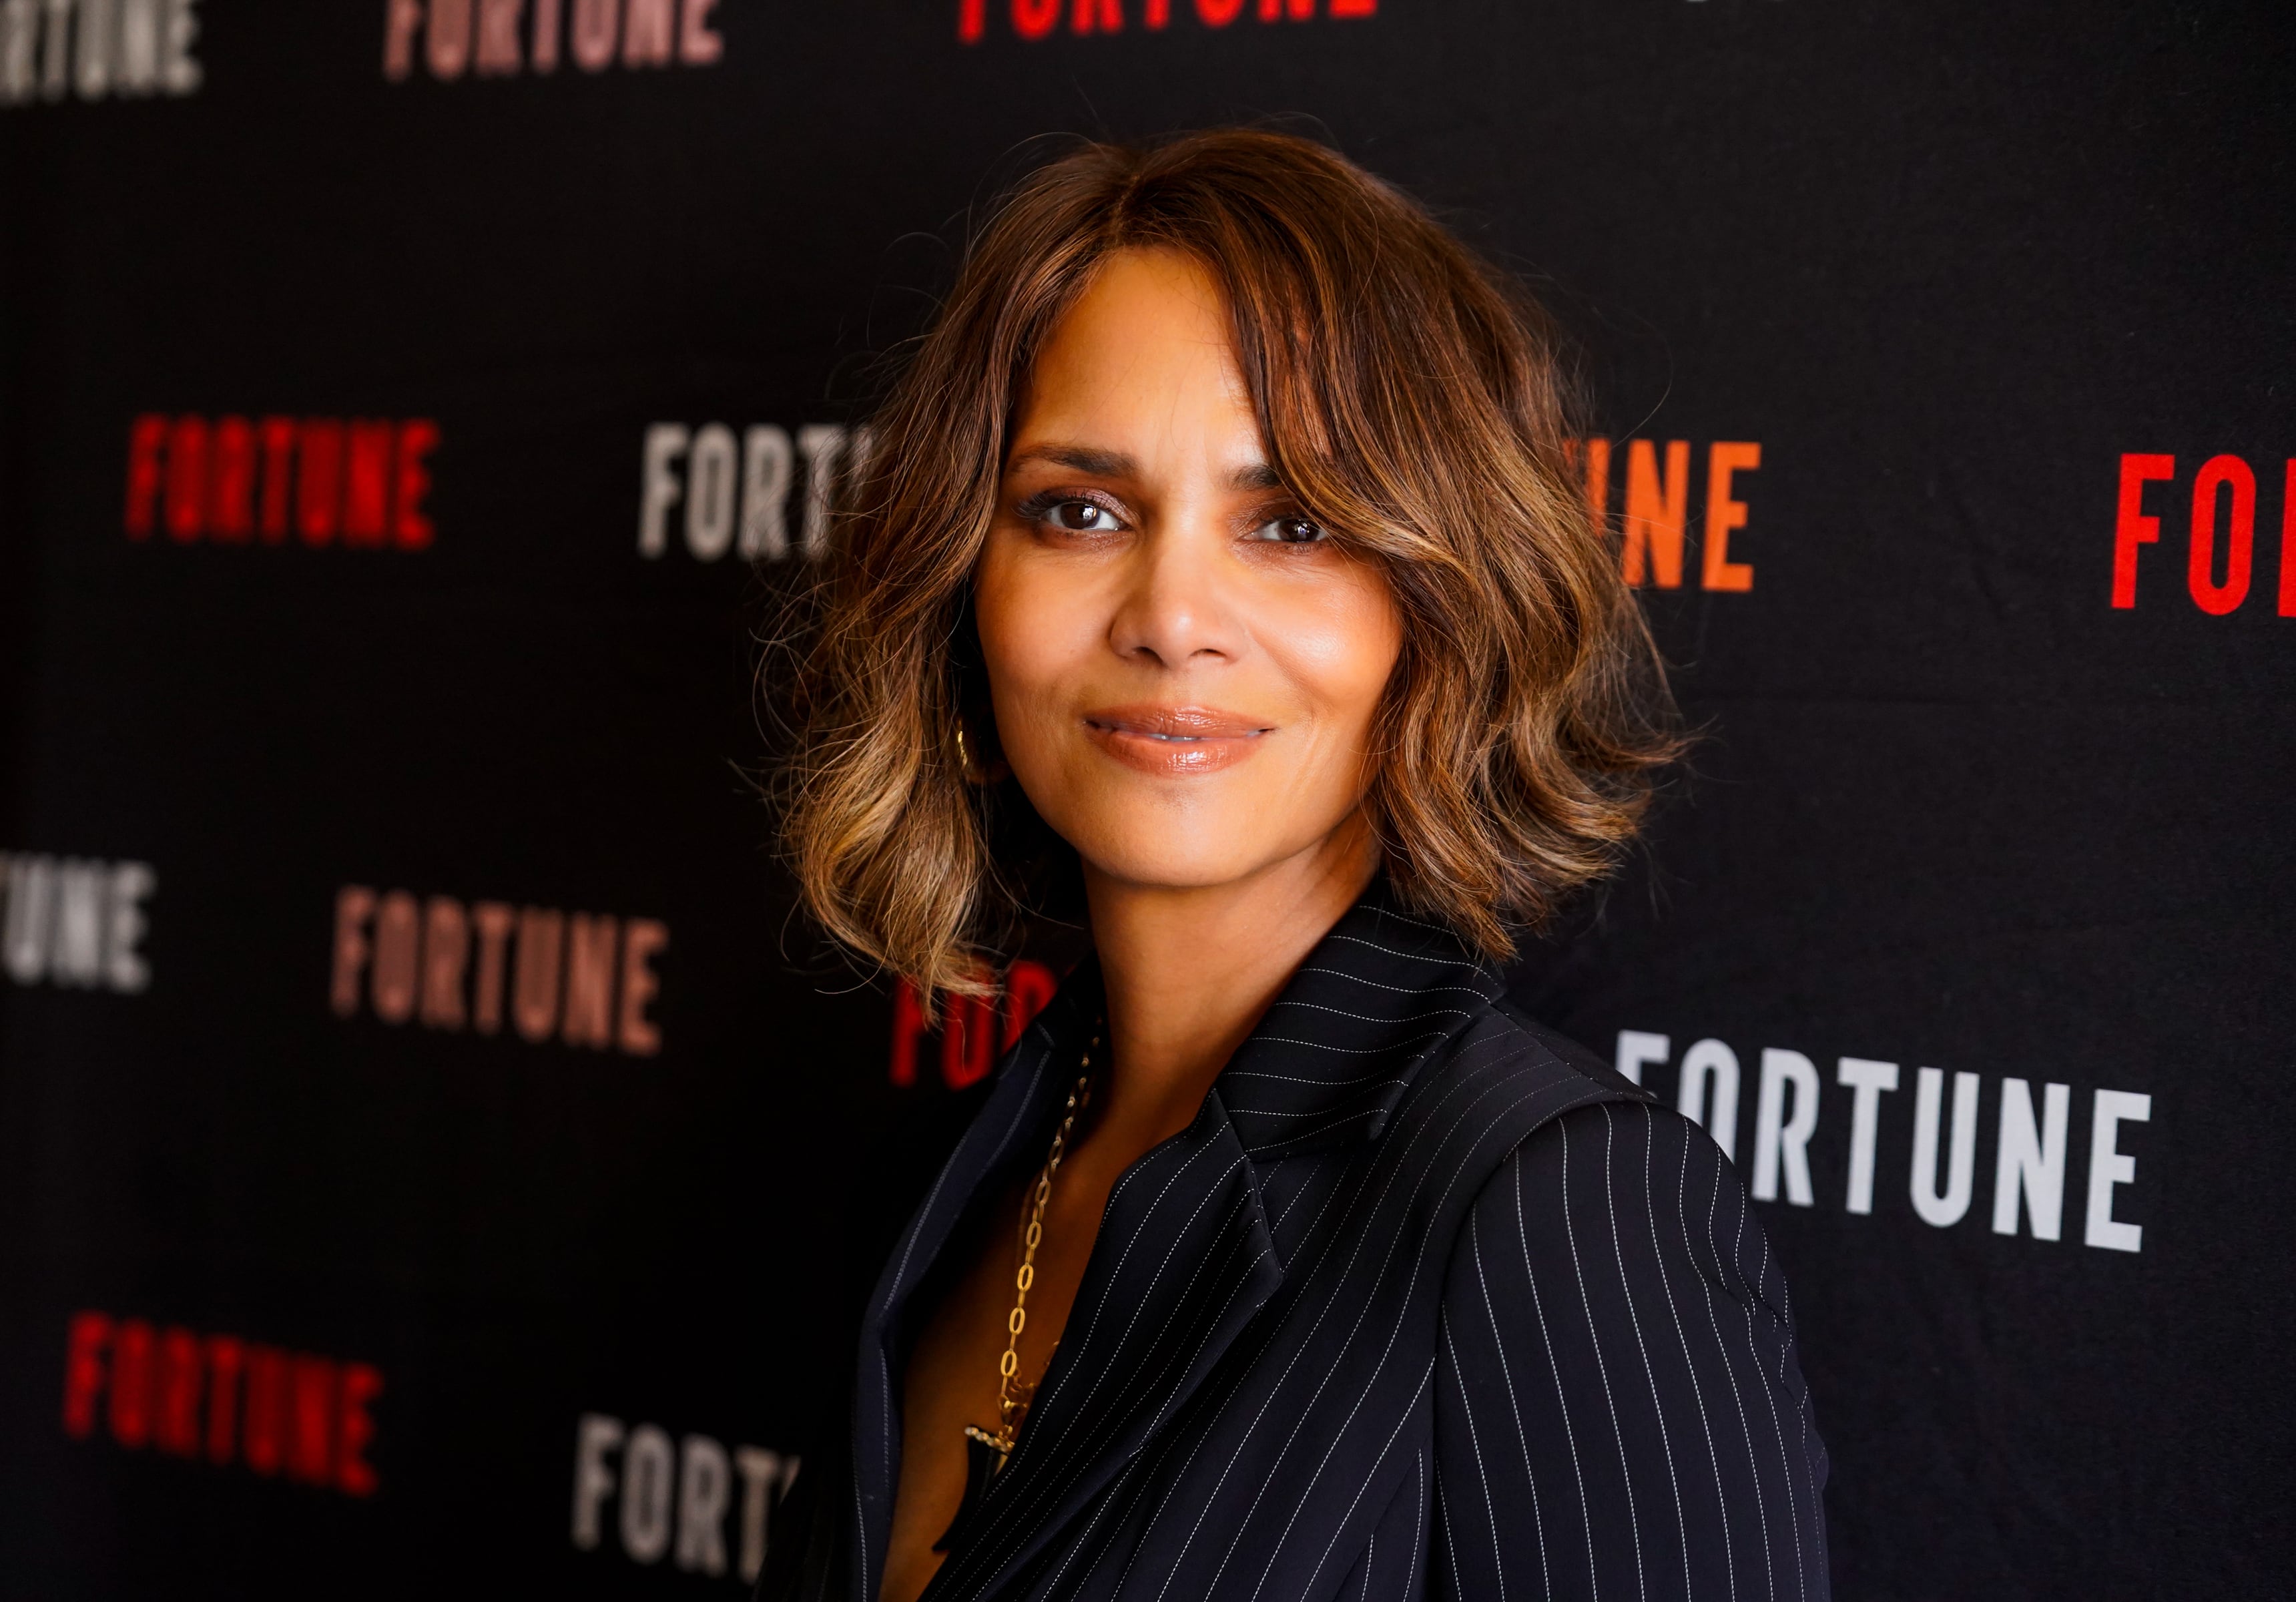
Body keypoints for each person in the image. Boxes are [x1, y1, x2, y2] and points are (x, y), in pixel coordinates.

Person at [764, 129, 1829, 1602]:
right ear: (964, 585)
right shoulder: (958, 1176)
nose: (1174, 616)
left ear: (1443, 610)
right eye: (1080, 510)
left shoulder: (1557, 1208)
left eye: (1293, 522)